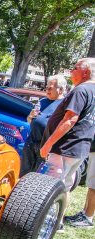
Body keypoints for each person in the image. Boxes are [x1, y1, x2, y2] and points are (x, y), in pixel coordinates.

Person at [40, 57, 95, 226]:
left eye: (75, 68)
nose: (72, 71)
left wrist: (48, 143)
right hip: (80, 148)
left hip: (65, 147)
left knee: (51, 183)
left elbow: (70, 119)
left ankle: (45, 221)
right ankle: (58, 222)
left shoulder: (81, 90)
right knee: (65, 185)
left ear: (86, 72)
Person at [21, 75, 68, 175]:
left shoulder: (64, 104)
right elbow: (30, 120)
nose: (47, 90)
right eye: (46, 87)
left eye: (50, 88)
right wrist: (30, 116)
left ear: (60, 90)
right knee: (24, 173)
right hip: (31, 142)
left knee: (38, 175)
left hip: (46, 146)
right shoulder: (43, 101)